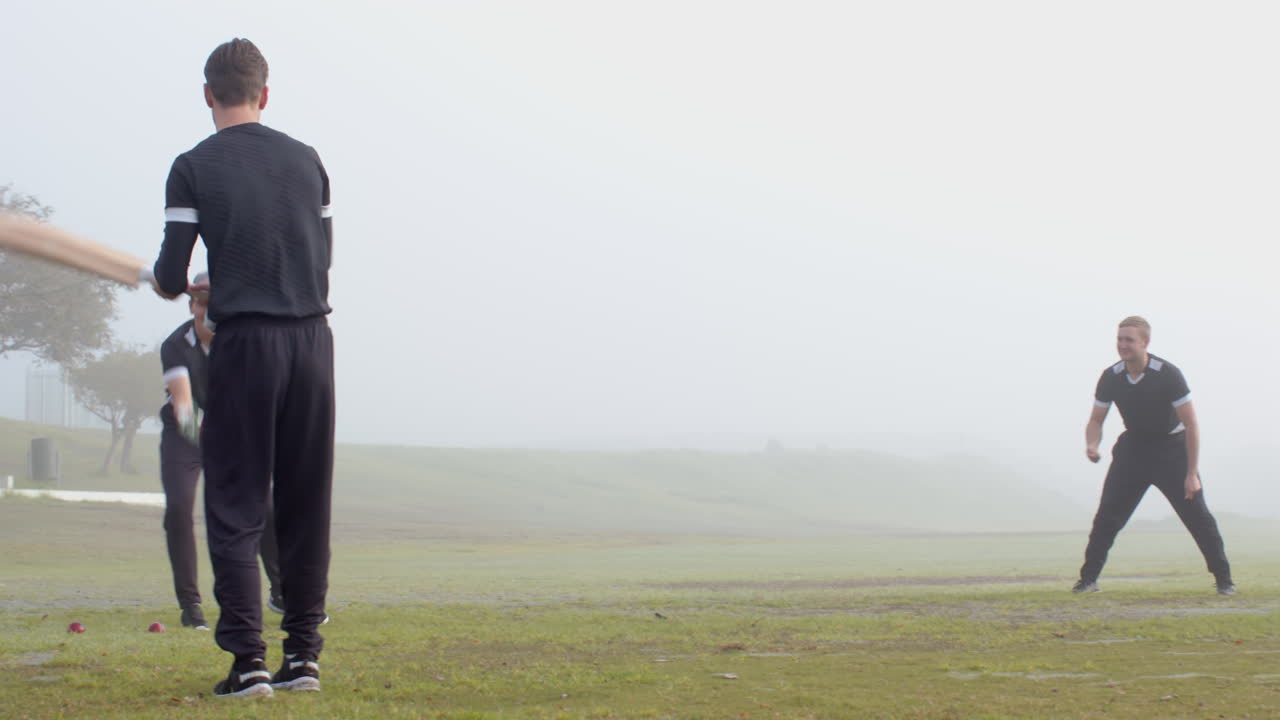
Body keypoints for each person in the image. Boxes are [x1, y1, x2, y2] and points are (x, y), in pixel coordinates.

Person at [150, 38, 335, 698]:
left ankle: (249, 663)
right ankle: (304, 658)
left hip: (246, 345)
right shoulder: (308, 162)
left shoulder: (193, 166)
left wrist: (182, 284)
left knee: (235, 503)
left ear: (208, 95)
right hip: (313, 341)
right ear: (265, 93)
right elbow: (320, 257)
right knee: (306, 502)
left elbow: (173, 274)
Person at [1074, 316, 1234, 595]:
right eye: (1119, 339)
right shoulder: (1111, 376)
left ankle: (1224, 581)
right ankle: (1088, 581)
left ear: (1145, 342)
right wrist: (1092, 445)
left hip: (1172, 451)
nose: (1122, 345)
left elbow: (1192, 424)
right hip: (1133, 451)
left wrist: (1191, 473)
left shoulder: (1167, 374)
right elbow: (1096, 420)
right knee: (1107, 519)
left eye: (1129, 340)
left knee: (1199, 518)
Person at [158, 272, 282, 631]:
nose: (206, 311)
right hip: (185, 435)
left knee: (265, 504)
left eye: (214, 304)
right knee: (179, 507)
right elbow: (182, 406)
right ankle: (190, 605)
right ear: (192, 304)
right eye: (201, 303)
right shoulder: (175, 344)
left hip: (232, 431)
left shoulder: (243, 342)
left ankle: (281, 590)